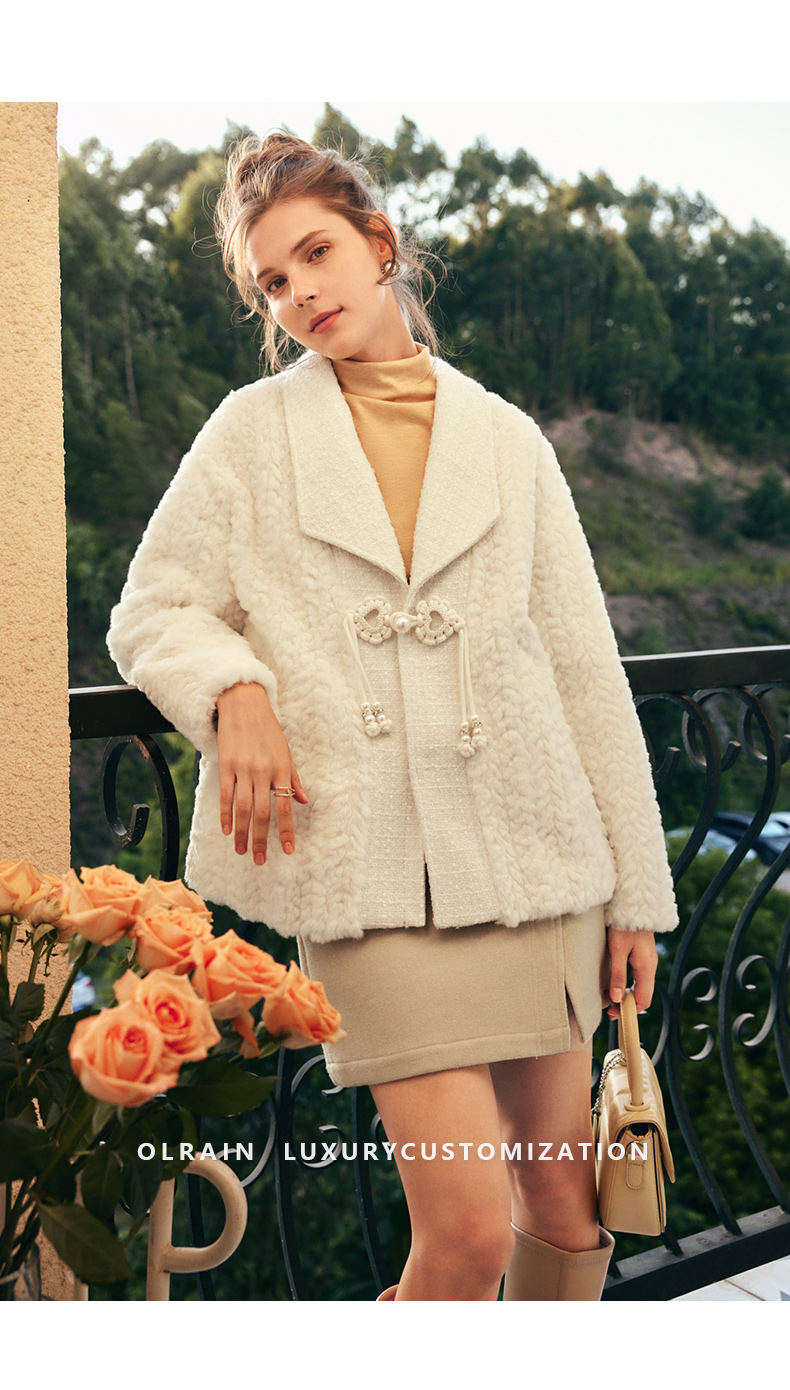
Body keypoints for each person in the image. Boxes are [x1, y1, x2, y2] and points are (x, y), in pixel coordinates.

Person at [106, 131, 679, 1302]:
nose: (299, 293)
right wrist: (233, 690)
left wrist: (637, 893)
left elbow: (583, 671)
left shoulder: (510, 441)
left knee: (566, 1215)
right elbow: (154, 608)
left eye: (315, 254)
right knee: (466, 1237)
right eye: (272, 282)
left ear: (379, 243)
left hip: (536, 866)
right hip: (368, 883)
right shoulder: (250, 433)